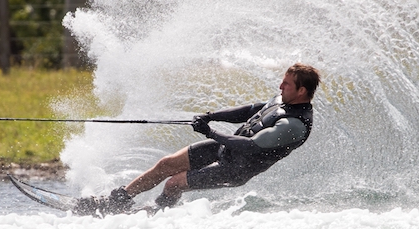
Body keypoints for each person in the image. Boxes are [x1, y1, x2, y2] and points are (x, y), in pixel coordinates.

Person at [74, 63, 320, 216]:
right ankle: (116, 201)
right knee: (166, 164)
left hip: (236, 169)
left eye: (286, 84)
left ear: (301, 91)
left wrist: (210, 132)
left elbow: (251, 145)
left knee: (173, 183)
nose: (280, 86)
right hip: (225, 149)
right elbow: (250, 110)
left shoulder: (294, 125)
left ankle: (153, 215)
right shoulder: (281, 100)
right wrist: (210, 117)